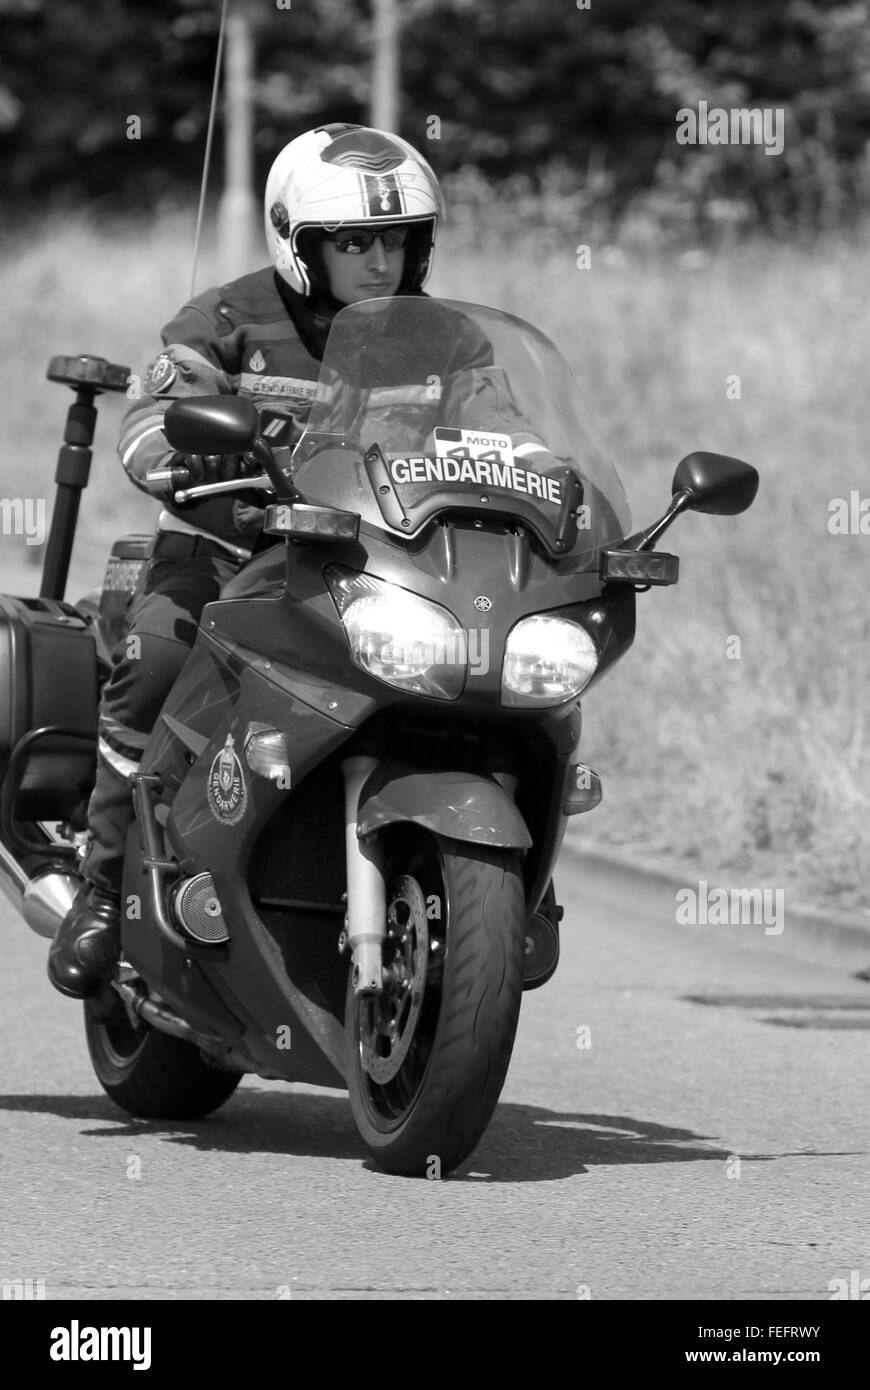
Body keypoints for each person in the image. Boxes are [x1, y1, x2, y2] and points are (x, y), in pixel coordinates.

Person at [47, 122, 562, 1000]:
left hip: (371, 566)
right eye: (352, 241)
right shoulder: (224, 320)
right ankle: (101, 886)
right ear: (298, 243)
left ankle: (520, 885)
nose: (378, 261)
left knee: (517, 674)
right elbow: (150, 420)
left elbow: (508, 436)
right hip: (226, 547)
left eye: (396, 240)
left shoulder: (449, 342)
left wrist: (558, 488)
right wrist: (181, 455)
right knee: (158, 660)